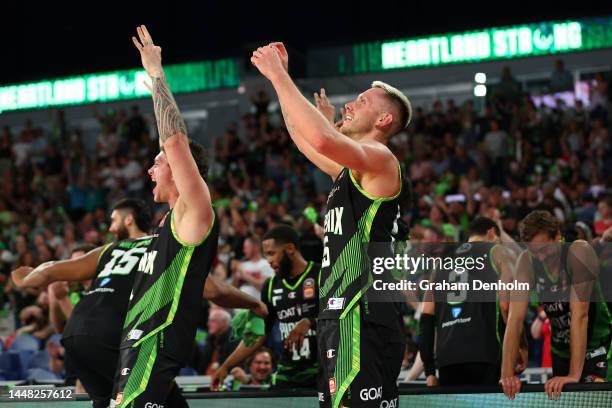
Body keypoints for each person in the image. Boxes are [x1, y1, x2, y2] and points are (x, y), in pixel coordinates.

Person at [251, 43, 411, 408]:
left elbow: (323, 137)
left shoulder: (383, 160)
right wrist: (283, 79)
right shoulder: (349, 172)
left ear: (384, 121)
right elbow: (306, 140)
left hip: (362, 310)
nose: (350, 105)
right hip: (339, 314)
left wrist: (277, 74)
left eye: (363, 101)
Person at [12, 198, 266, 407]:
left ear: (129, 220)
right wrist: (253, 303)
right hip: (116, 335)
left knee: (109, 402)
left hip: (75, 337)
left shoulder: (107, 250)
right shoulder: (160, 250)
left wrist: (29, 277)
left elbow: (54, 268)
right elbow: (212, 289)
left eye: (113, 220)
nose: (110, 228)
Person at [501, 210, 611, 401]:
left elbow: (580, 315)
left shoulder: (579, 251)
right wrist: (507, 374)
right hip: (561, 352)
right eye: (535, 252)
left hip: (597, 347)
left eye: (544, 249)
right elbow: (514, 318)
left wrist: (573, 375)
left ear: (557, 236)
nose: (540, 257)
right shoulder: (526, 261)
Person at [212, 225, 321, 389]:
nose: (269, 261)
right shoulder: (270, 286)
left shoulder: (320, 274)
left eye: (271, 253)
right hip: (287, 373)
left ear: (290, 248)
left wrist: (310, 321)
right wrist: (226, 366)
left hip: (322, 371)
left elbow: (342, 318)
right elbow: (258, 334)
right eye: (266, 255)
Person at [419, 217, 520, 386]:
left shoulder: (441, 262)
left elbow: (426, 320)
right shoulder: (496, 251)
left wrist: (429, 371)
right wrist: (518, 348)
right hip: (486, 353)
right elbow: (505, 306)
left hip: (448, 359)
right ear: (492, 233)